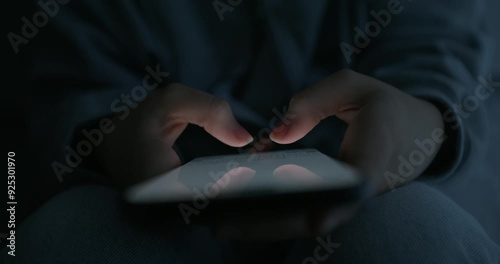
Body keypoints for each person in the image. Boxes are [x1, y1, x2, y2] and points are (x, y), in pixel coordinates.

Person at [7, 0, 500, 263]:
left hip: (385, 203)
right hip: (145, 206)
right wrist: (106, 134)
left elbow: (440, 46)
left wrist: (423, 117)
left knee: (410, 228)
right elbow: (57, 74)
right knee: (72, 233)